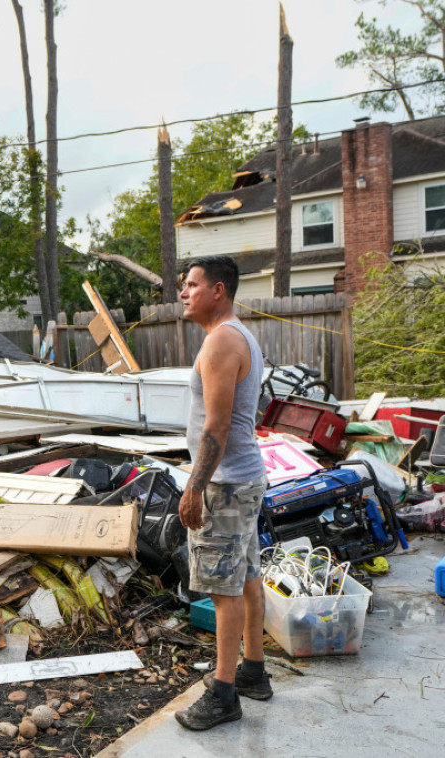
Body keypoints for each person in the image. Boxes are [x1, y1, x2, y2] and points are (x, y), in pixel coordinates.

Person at [174, 255, 272, 731]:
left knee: (221, 589)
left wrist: (195, 489)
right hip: (243, 478)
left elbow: (216, 428)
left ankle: (224, 694)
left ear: (217, 290)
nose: (182, 292)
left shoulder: (221, 342)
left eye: (190, 285)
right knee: (248, 575)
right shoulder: (240, 335)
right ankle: (254, 671)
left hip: (225, 485)